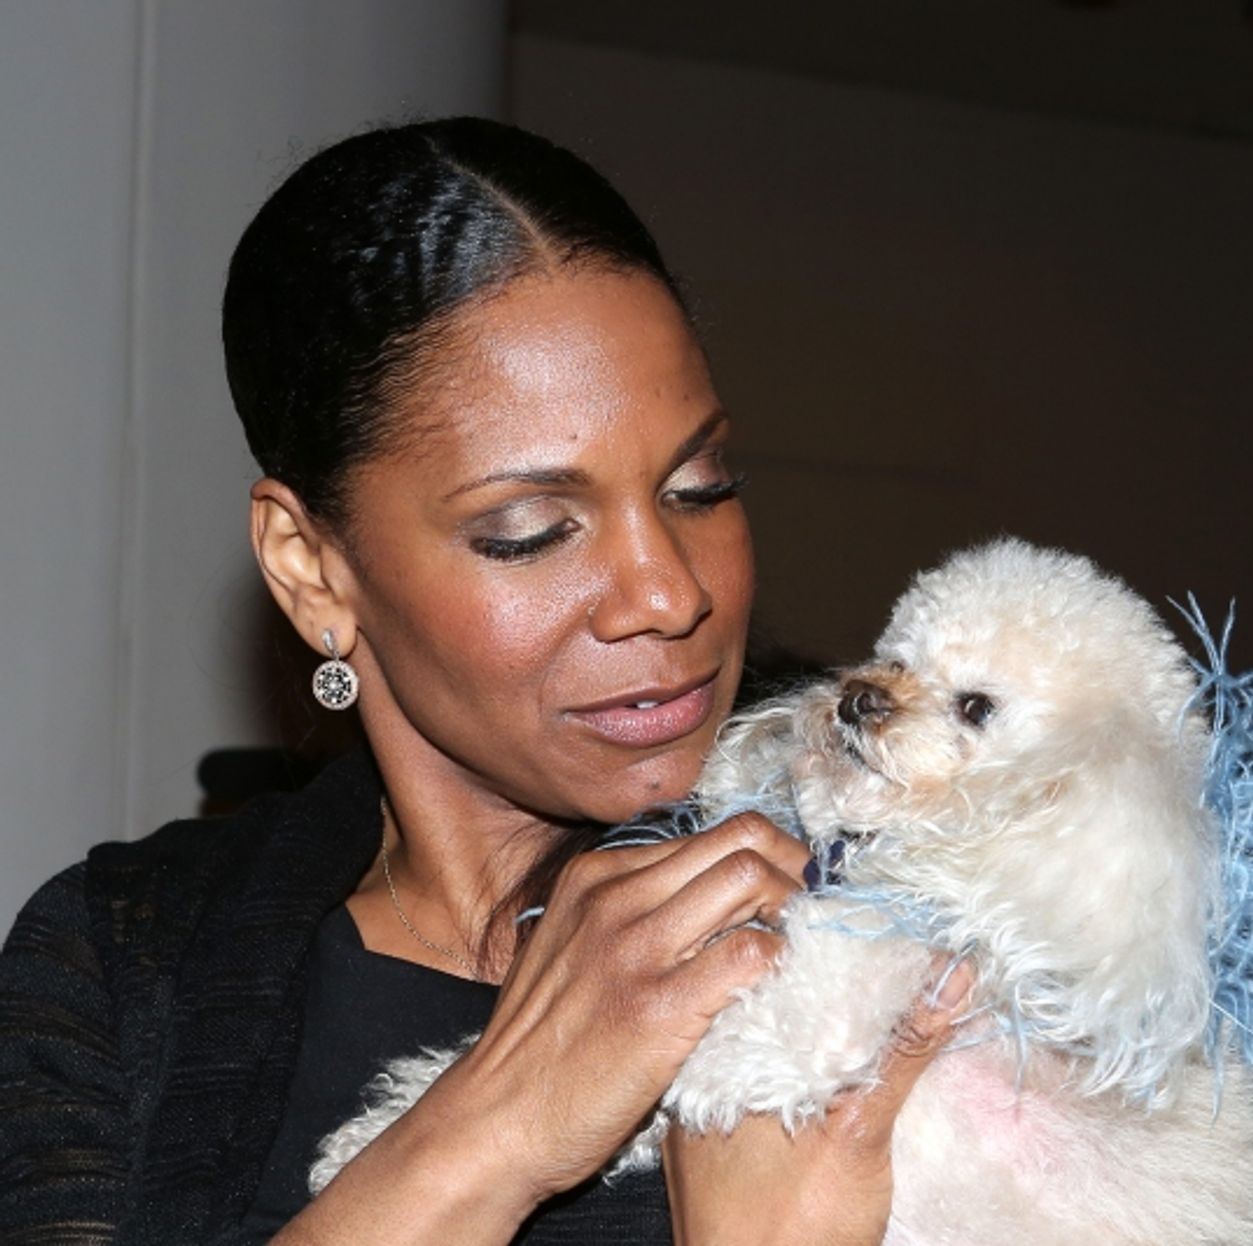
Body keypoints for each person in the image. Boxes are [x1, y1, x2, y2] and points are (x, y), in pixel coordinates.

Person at [0, 117, 968, 1246]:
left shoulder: (922, 888)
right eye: (529, 530)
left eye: (699, 485)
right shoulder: (126, 958)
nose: (665, 591)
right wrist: (498, 1123)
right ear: (312, 570)